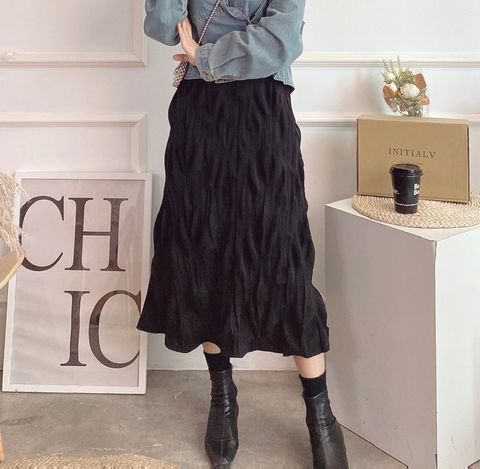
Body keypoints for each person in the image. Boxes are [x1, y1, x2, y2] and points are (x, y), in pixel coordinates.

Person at [136, 0, 349, 467]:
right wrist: (220, 50)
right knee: (202, 252)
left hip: (263, 112)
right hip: (199, 115)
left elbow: (282, 38)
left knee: (283, 260)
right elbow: (162, 27)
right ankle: (223, 395)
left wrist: (207, 56)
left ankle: (320, 412)